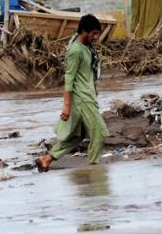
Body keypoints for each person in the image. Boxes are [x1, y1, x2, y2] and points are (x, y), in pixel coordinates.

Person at [35, 14, 109, 172]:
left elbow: (89, 74)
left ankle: (46, 159)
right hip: (82, 99)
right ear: (84, 31)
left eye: (97, 33)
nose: (96, 37)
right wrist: (66, 106)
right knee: (99, 132)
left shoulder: (87, 48)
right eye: (94, 33)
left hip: (87, 96)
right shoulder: (75, 50)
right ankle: (95, 169)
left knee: (77, 136)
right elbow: (69, 78)